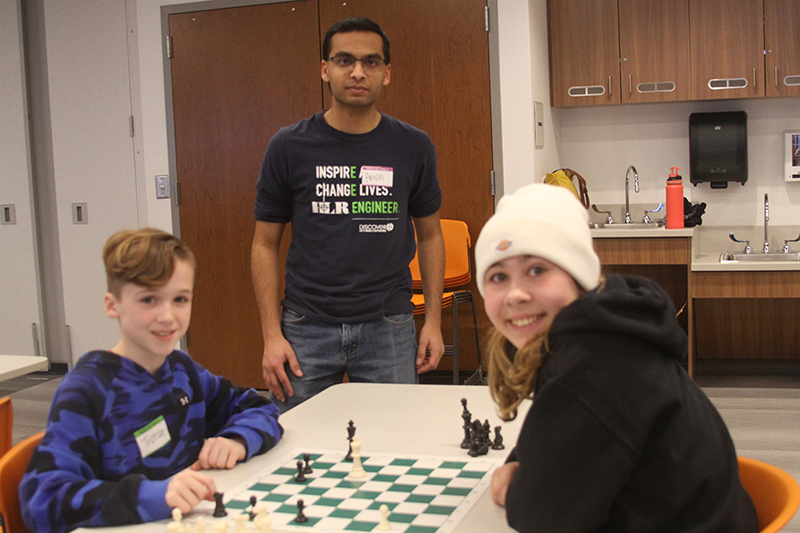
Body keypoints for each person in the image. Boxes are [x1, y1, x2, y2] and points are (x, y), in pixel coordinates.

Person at [475, 184, 758, 532]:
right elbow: (559, 441)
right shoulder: (604, 336)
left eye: (536, 270)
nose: (515, 294)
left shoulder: (595, 369)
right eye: (498, 277)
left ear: (578, 277)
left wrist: (515, 486)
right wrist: (523, 464)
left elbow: (542, 519)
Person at [20, 228, 283, 533]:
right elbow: (42, 501)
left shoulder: (183, 371)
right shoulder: (87, 391)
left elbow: (260, 408)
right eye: (149, 300)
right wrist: (152, 495)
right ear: (112, 305)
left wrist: (236, 440)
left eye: (180, 299)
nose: (168, 316)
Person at [252, 17, 445, 411]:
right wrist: (272, 335)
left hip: (388, 328)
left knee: (394, 448)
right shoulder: (288, 147)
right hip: (305, 329)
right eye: (345, 60)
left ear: (387, 73)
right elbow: (263, 244)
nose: (358, 71)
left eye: (371, 62)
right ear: (325, 69)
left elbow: (430, 235)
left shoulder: (413, 146)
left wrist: (434, 323)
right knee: (297, 452)